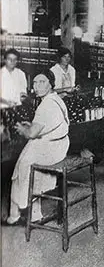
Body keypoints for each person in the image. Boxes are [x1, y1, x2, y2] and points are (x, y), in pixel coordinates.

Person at [6, 70, 69, 225]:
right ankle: (34, 214)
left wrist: (23, 129)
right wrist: (32, 127)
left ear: (50, 83)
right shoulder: (55, 98)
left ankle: (18, 211)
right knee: (25, 161)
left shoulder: (46, 105)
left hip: (51, 149)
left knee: (21, 166)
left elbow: (32, 134)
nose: (37, 86)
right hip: (59, 145)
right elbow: (45, 125)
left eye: (42, 82)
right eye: (35, 82)